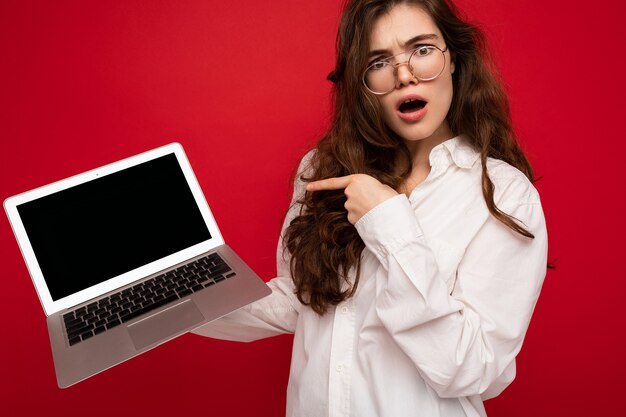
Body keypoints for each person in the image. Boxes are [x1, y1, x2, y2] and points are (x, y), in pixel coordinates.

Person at [193, 0, 548, 416]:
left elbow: (473, 369)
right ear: (361, 82)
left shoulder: (504, 194)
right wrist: (171, 301)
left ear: (454, 59)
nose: (404, 74)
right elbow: (302, 300)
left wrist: (390, 224)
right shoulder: (322, 171)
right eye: (379, 61)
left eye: (422, 49)